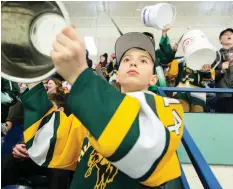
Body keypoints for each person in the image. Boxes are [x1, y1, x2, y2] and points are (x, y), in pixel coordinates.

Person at [21, 25, 184, 189]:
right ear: (117, 75)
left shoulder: (168, 106)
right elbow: (51, 141)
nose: (133, 62)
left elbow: (143, 149)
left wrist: (78, 76)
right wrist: (31, 78)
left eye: (143, 60)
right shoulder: (93, 109)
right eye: (126, 59)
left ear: (154, 79)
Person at [1, 92, 72, 189]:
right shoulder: (38, 121)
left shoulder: (68, 124)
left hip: (55, 163)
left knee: (60, 169)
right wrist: (20, 150)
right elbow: (25, 141)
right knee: (10, 158)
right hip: (34, 160)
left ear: (60, 110)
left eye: (49, 108)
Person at [211, 28, 233, 113]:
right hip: (224, 94)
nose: (229, 35)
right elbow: (210, 76)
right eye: (226, 34)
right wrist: (221, 69)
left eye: (231, 34)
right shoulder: (215, 55)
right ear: (220, 40)